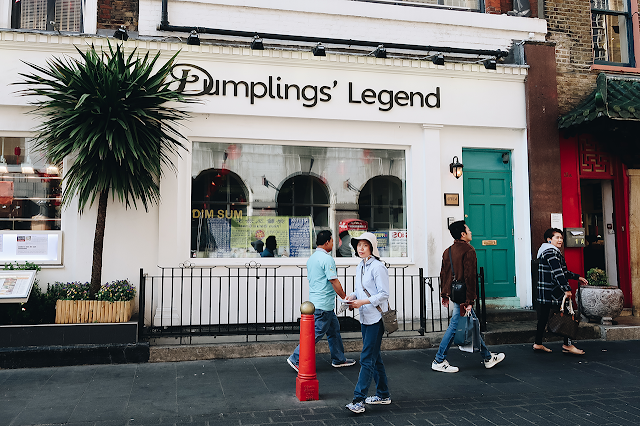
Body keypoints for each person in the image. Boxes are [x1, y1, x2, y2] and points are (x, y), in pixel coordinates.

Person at [432, 220, 505, 373]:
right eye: (468, 230)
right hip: (463, 296)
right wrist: (469, 300)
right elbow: (470, 277)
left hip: (454, 293)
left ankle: (487, 357)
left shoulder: (448, 251)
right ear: (463, 234)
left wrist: (445, 294)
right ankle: (439, 359)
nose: (471, 232)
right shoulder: (468, 250)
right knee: (454, 327)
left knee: (473, 325)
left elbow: (444, 274)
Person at [287, 230, 356, 371]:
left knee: (334, 331)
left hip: (319, 302)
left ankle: (339, 359)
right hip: (323, 304)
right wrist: (344, 297)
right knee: (315, 334)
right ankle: (295, 358)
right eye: (332, 240)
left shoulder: (312, 258)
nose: (333, 243)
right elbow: (333, 280)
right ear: (326, 242)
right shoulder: (326, 258)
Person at [345, 232, 391, 414]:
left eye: (365, 245)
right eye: (358, 245)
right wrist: (352, 297)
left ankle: (358, 399)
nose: (361, 248)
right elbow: (360, 290)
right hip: (365, 316)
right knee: (374, 356)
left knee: (366, 358)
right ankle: (383, 394)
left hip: (376, 318)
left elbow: (383, 294)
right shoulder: (360, 266)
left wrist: (361, 302)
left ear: (372, 247)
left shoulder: (377, 267)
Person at [534, 228, 588, 355]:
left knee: (542, 318)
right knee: (568, 315)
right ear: (549, 239)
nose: (560, 240)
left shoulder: (545, 251)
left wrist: (577, 277)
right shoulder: (551, 252)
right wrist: (567, 289)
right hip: (553, 291)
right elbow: (558, 272)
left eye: (561, 238)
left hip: (545, 292)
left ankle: (538, 343)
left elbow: (561, 271)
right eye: (557, 237)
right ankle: (567, 344)